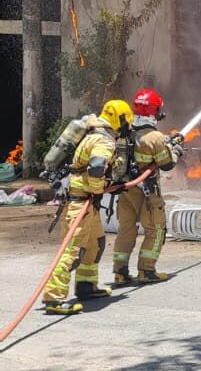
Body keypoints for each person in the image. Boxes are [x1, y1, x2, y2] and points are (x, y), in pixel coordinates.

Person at [42, 99, 133, 315]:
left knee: (95, 244)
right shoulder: (105, 141)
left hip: (85, 202)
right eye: (125, 123)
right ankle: (54, 299)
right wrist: (100, 188)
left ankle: (86, 286)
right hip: (80, 202)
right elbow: (96, 167)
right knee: (72, 251)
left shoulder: (93, 134)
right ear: (120, 120)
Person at [112, 88, 183, 286]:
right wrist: (176, 149)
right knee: (156, 229)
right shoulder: (155, 137)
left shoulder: (125, 132)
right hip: (147, 193)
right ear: (154, 111)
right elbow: (166, 163)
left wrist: (167, 142)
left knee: (126, 230)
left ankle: (119, 272)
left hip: (126, 191)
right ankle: (146, 270)